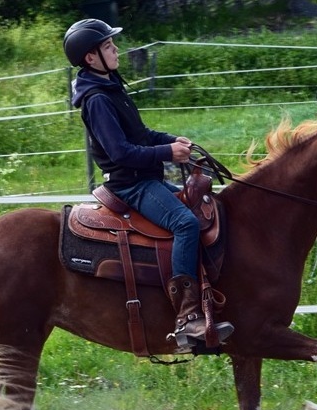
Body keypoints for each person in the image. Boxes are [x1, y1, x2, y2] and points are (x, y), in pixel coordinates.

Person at [64, 18, 233, 350]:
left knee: (204, 207)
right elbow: (121, 152)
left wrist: (172, 140)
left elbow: (140, 136)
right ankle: (187, 317)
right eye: (109, 46)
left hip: (145, 178)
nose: (116, 50)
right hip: (132, 185)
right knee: (184, 223)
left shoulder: (110, 86)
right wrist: (168, 152)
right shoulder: (97, 98)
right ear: (91, 57)